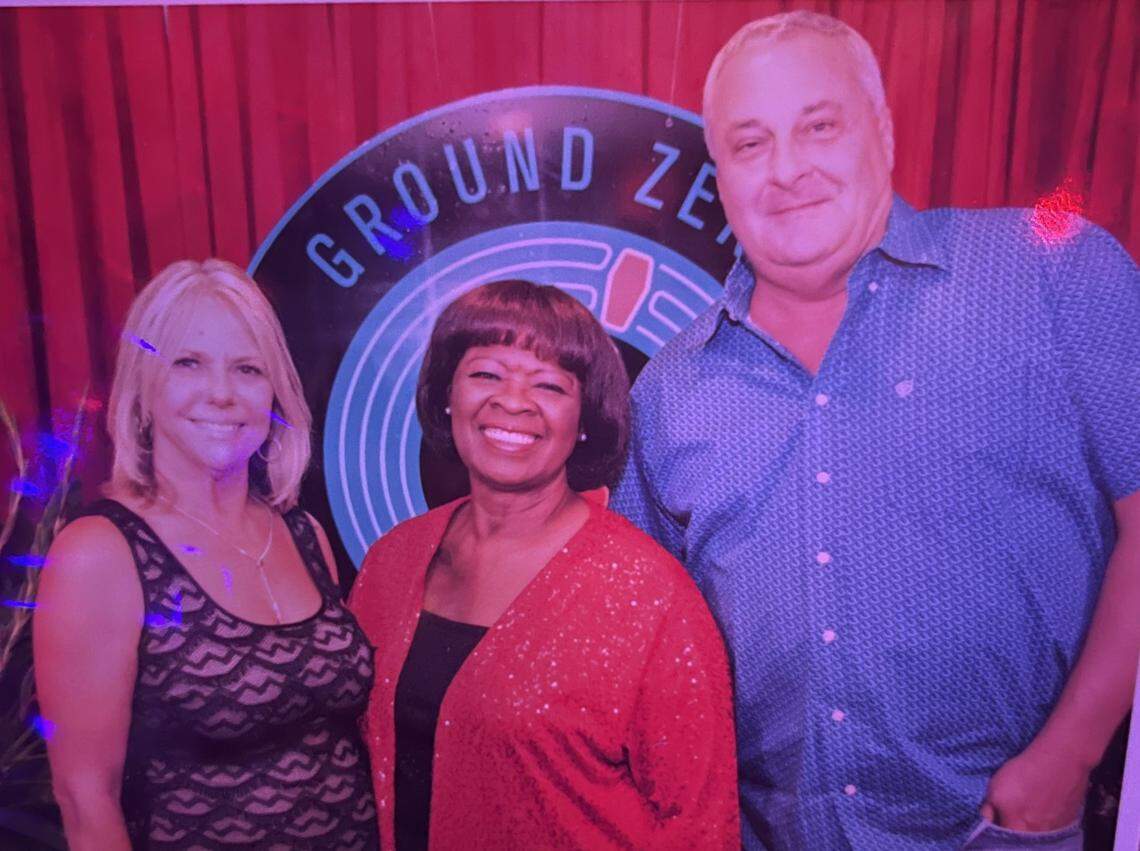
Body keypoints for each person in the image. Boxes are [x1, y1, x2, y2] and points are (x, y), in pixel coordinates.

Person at [612, 10, 1140, 851]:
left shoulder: (1052, 270)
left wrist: (1067, 755)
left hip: (1008, 831)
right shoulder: (672, 385)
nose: (786, 170)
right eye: (749, 145)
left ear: (883, 130)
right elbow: (639, 632)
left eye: (818, 126)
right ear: (718, 173)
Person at [348, 280, 739, 850]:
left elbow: (701, 824)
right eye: (485, 373)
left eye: (550, 384)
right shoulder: (394, 559)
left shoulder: (648, 593)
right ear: (447, 395)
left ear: (584, 418)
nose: (511, 401)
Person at [34, 260, 378, 850]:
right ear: (143, 388)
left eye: (246, 369)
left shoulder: (303, 533)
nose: (221, 394)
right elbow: (84, 795)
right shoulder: (99, 553)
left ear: (273, 391)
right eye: (188, 363)